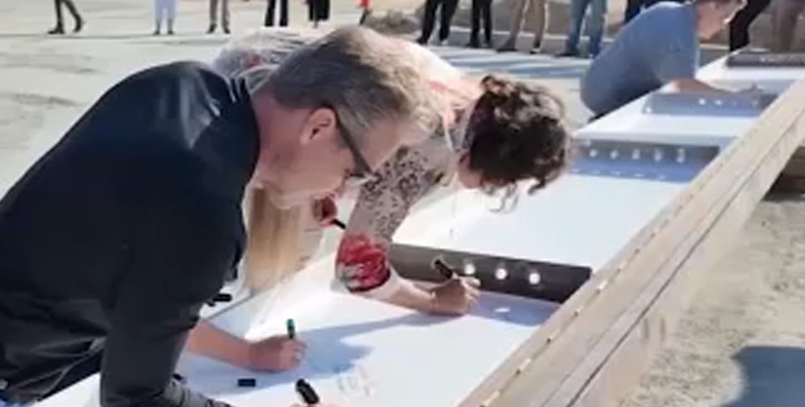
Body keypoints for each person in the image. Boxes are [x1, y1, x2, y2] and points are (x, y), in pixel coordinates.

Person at [0, 26, 446, 407]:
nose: (345, 190)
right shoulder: (203, 213)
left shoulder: (182, 83)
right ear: (319, 127)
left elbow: (125, 227)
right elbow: (134, 394)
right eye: (356, 171)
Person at [208, 30, 571, 327]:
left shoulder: (459, 90)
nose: (491, 189)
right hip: (252, 98)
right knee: (242, 265)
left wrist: (325, 183)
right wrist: (433, 300)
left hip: (260, 55)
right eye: (503, 181)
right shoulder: (433, 141)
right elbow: (357, 268)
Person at [580, 0, 748, 119]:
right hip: (608, 98)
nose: (723, 26)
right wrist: (735, 97)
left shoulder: (669, 8)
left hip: (595, 84)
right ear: (712, 6)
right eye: (725, 17)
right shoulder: (679, 33)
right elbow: (683, 86)